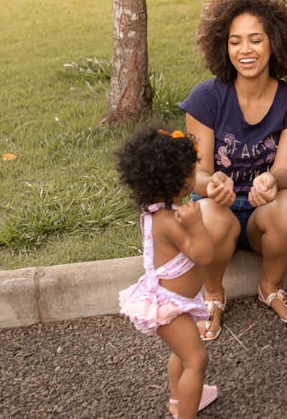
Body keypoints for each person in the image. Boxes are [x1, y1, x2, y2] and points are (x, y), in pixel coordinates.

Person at [179, 0, 287, 341]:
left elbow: (284, 169)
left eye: (255, 39)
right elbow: (197, 174)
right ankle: (213, 294)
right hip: (216, 211)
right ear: (223, 46)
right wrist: (212, 185)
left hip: (260, 213)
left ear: (275, 43)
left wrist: (273, 182)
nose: (245, 50)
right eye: (235, 41)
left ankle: (269, 287)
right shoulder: (206, 98)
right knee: (207, 214)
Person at [115, 125, 219, 419]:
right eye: (191, 172)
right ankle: (186, 411)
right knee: (196, 359)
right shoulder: (171, 220)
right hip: (169, 306)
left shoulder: (156, 211)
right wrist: (197, 224)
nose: (194, 175)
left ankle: (180, 400)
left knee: (183, 353)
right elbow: (204, 255)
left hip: (175, 301)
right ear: (178, 180)